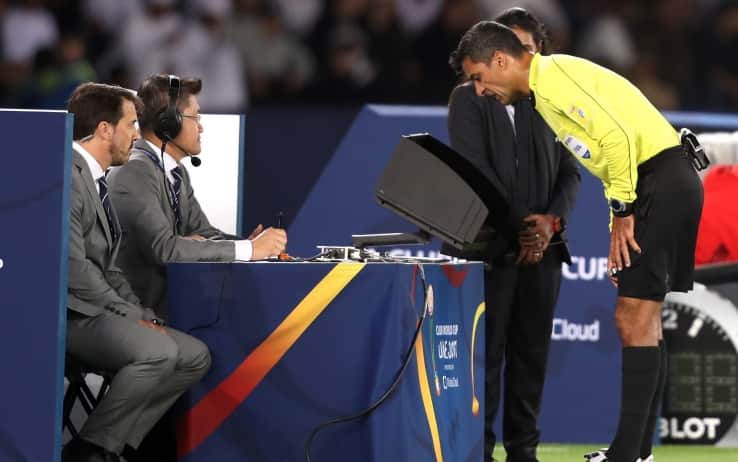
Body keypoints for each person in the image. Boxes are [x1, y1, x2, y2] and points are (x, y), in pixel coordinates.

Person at [449, 21, 704, 462]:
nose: (479, 89)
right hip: (661, 183)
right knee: (643, 320)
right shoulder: (546, 89)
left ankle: (627, 455)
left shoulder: (553, 80)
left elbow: (616, 140)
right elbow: (610, 157)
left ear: (500, 60)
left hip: (659, 183)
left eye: (478, 76)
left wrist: (623, 212)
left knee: (633, 318)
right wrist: (616, 222)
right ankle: (637, 452)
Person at [444, 8, 579, 462]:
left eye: (527, 48)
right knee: (484, 360)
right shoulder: (469, 99)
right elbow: (477, 173)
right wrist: (526, 229)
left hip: (545, 251)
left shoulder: (553, 100)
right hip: (489, 250)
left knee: (531, 359)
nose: (521, 57)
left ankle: (524, 453)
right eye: (511, 47)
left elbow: (570, 172)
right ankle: (478, 452)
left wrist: (550, 223)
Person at [64, 82, 211, 462]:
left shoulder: (96, 177)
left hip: (99, 309)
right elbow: (75, 269)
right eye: (131, 124)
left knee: (195, 355)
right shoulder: (69, 176)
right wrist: (129, 313)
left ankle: (112, 444)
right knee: (160, 351)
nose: (136, 133)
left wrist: (140, 312)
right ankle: (91, 450)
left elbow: (110, 268)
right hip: (71, 314)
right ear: (104, 129)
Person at [108, 74, 287, 318]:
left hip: (172, 306)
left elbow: (204, 232)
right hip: (138, 312)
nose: (201, 127)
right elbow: (165, 249)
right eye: (196, 117)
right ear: (169, 122)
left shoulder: (175, 171)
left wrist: (248, 244)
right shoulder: (135, 170)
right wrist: (248, 249)